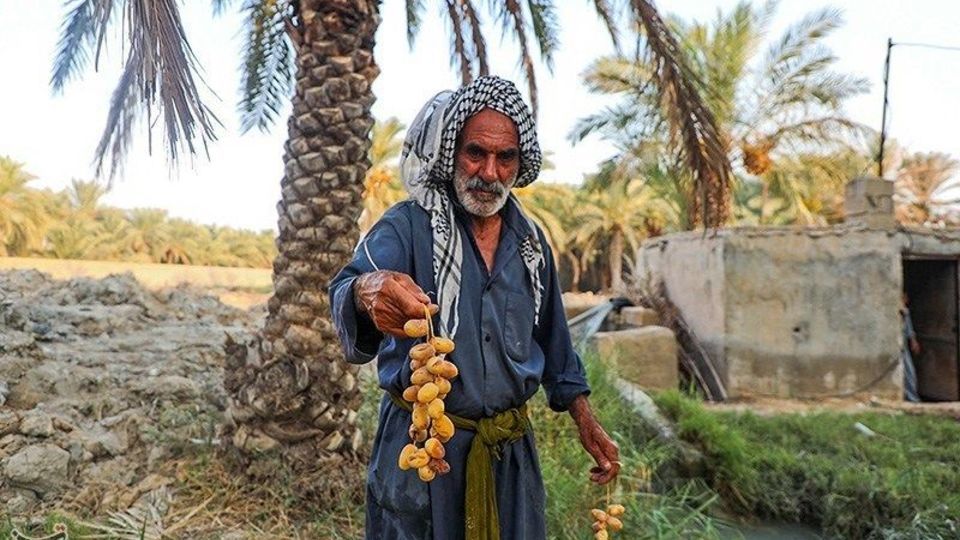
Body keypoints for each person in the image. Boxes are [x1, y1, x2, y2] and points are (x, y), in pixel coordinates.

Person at [329, 76, 619, 540]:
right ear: (451, 153)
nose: (489, 173)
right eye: (475, 153)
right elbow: (345, 287)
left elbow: (555, 346)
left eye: (506, 158)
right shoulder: (408, 227)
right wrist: (369, 290)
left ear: (519, 165)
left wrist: (586, 419)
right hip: (424, 456)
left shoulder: (531, 244)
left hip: (509, 462)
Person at [900, 293, 921, 402]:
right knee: (908, 372)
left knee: (909, 371)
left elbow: (909, 329)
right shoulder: (902, 312)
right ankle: (911, 397)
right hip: (900, 346)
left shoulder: (905, 312)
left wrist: (913, 341)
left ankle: (912, 397)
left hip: (904, 346)